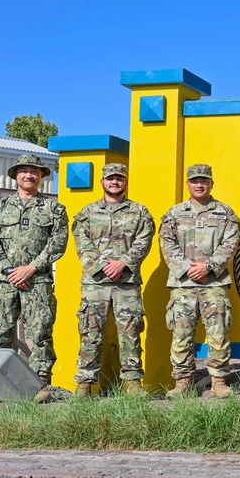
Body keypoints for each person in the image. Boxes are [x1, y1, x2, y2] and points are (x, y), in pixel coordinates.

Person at [0, 154, 69, 404]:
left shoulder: (54, 209)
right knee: (0, 332)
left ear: (41, 176)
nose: (29, 175)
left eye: (35, 172)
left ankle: (41, 384)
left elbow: (58, 244)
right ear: (16, 176)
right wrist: (10, 270)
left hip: (37, 281)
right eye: (24, 171)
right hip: (3, 282)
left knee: (40, 332)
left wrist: (30, 268)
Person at [71, 163, 155, 398]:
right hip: (95, 283)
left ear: (125, 182)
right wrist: (102, 267)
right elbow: (82, 243)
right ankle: (85, 384)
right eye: (110, 179)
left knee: (130, 332)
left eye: (119, 178)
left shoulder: (140, 212)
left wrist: (123, 264)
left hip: (126, 282)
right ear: (102, 182)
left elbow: (143, 241)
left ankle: (133, 383)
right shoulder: (86, 213)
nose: (114, 182)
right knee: (90, 331)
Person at [159, 164, 240, 399]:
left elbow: (230, 244)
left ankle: (218, 381)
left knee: (218, 333)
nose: (199, 184)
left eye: (204, 180)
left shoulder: (226, 213)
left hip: (214, 283)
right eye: (195, 181)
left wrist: (209, 267)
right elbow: (167, 244)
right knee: (181, 333)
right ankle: (183, 382)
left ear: (211, 183)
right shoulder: (174, 214)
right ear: (188, 184)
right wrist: (187, 268)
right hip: (182, 284)